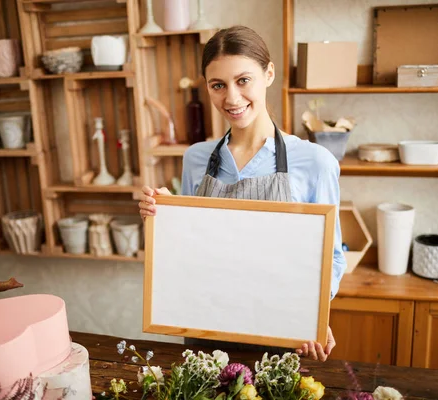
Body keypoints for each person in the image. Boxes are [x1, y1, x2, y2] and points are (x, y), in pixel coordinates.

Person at [138, 25, 345, 362]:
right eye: (218, 85)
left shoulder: (315, 161)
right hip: (204, 331)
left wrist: (314, 313)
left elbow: (333, 257)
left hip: (279, 333)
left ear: (269, 74)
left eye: (243, 80)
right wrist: (163, 217)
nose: (231, 98)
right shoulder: (195, 159)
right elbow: (191, 252)